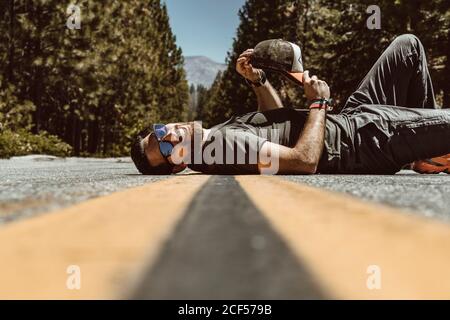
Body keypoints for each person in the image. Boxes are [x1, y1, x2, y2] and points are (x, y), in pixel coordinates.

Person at [131, 34, 450, 175]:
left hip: (350, 118)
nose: (171, 137)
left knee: (408, 47)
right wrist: (318, 104)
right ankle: (426, 149)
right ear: (178, 165)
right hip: (361, 141)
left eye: (161, 132)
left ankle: (428, 154)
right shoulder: (220, 147)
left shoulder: (213, 137)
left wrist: (257, 81)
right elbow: (304, 160)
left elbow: (273, 119)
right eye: (168, 149)